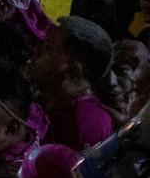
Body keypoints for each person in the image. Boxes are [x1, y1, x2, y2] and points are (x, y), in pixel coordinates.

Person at [30, 17, 116, 151]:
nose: (36, 51)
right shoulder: (39, 101)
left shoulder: (88, 123)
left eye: (48, 48)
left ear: (74, 70)